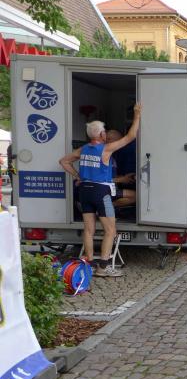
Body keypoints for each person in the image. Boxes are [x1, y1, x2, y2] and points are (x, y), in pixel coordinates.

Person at [59, 104, 141, 277]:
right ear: (101, 135)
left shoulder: (83, 149)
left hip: (85, 191)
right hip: (101, 192)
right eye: (104, 131)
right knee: (110, 230)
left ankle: (88, 264)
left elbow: (64, 161)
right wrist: (137, 115)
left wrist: (78, 176)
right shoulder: (105, 149)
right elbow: (131, 136)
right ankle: (103, 268)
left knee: (89, 230)